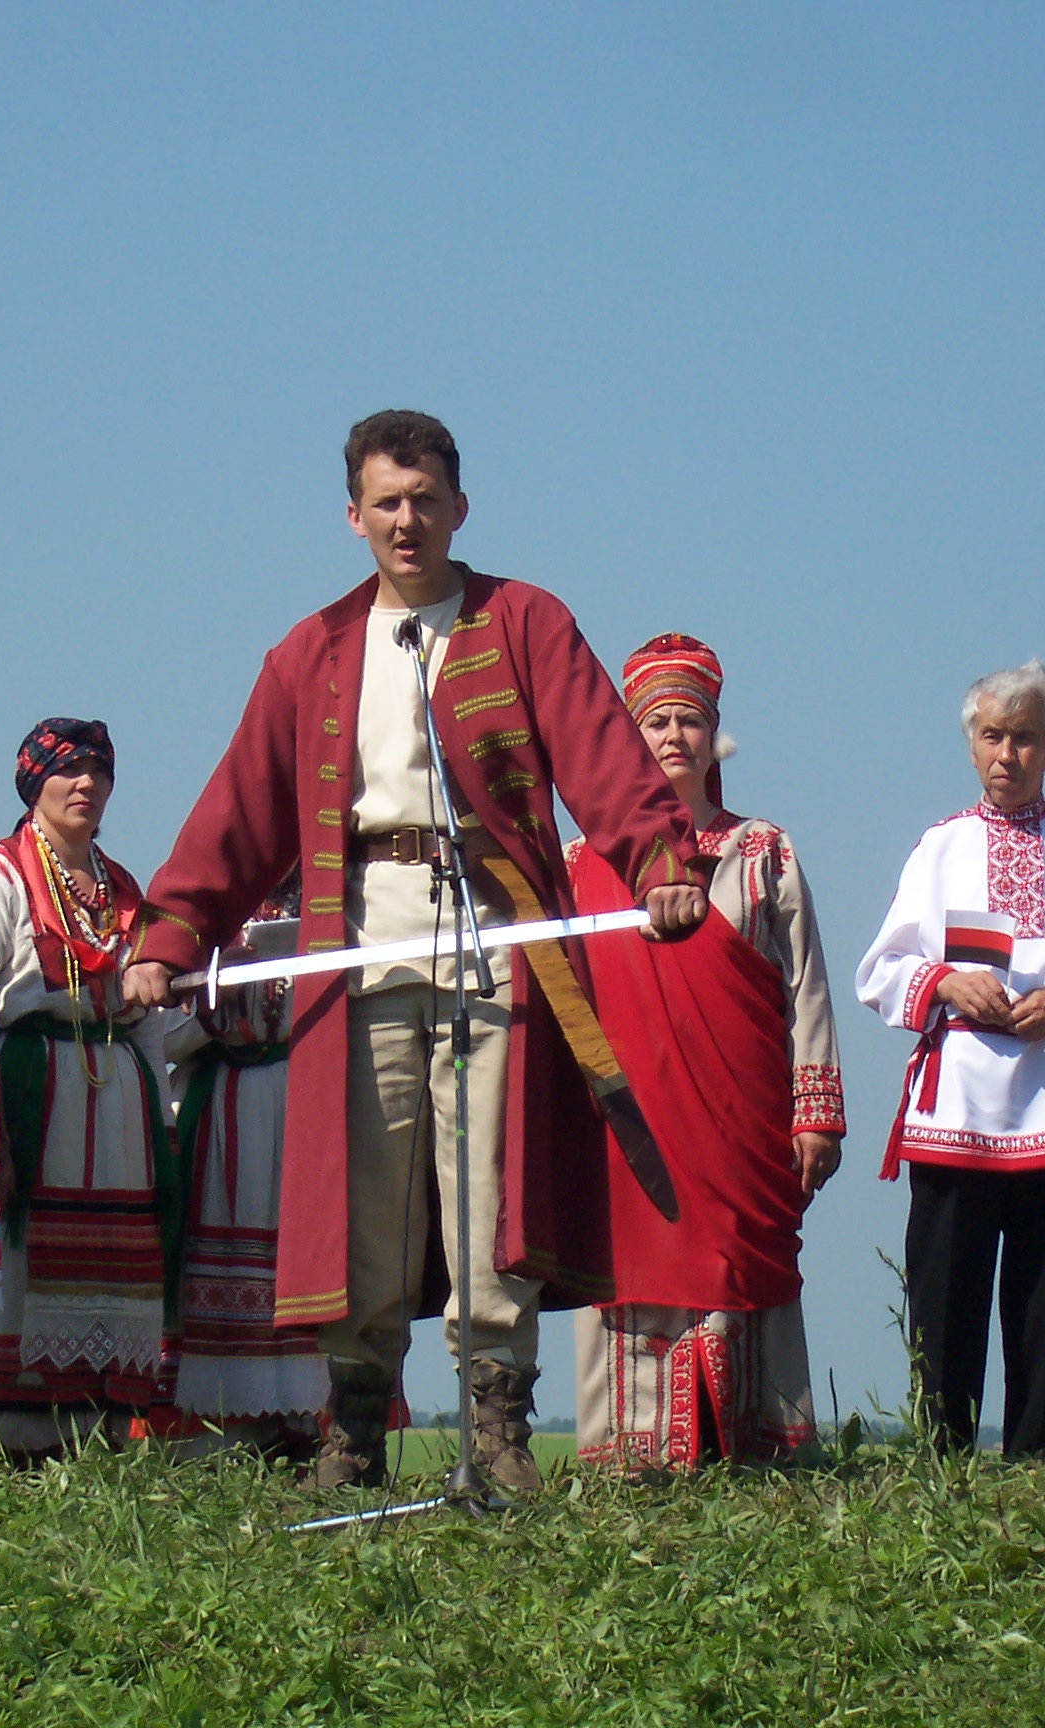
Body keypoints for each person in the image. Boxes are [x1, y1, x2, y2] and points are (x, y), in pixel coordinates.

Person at [124, 409, 707, 1494]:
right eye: (386, 502)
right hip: (361, 944)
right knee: (370, 1191)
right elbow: (240, 812)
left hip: (497, 937)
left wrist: (659, 861)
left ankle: (496, 1434)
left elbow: (605, 762)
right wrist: (172, 931)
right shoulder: (312, 653)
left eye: (425, 500)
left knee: (487, 1181)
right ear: (353, 516)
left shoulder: (525, 622)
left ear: (459, 508)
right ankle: (352, 1432)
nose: (407, 520)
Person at [855, 662, 1045, 1455]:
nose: (1007, 754)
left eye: (1025, 738)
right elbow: (880, 971)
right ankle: (941, 1457)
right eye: (992, 736)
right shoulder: (940, 848)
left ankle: (1031, 1458)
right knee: (944, 1294)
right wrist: (948, 982)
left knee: (1039, 1300)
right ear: (970, 743)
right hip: (955, 1106)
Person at [570, 634, 844, 1470]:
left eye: (691, 720)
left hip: (739, 1119)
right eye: (655, 721)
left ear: (713, 733)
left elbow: (807, 989)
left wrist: (817, 1113)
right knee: (629, 1264)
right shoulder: (584, 861)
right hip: (626, 1120)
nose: (673, 736)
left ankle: (749, 1446)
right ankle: (631, 1455)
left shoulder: (761, 852)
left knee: (733, 1261)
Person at [0, 719, 175, 1460]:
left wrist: (160, 1116)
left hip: (117, 1101)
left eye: (99, 771)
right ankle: (8, 1438)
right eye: (68, 771)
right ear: (34, 783)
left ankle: (97, 1428)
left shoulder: (124, 888)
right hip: (33, 1093)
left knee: (110, 1265)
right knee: (23, 1260)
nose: (86, 785)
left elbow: (153, 1023)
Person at [165, 872, 326, 1459]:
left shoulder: (337, 893)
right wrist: (211, 984)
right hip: (226, 1100)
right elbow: (159, 1031)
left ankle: (313, 1426)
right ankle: (222, 1431)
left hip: (313, 1101)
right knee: (230, 1265)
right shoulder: (199, 911)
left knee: (310, 1263)